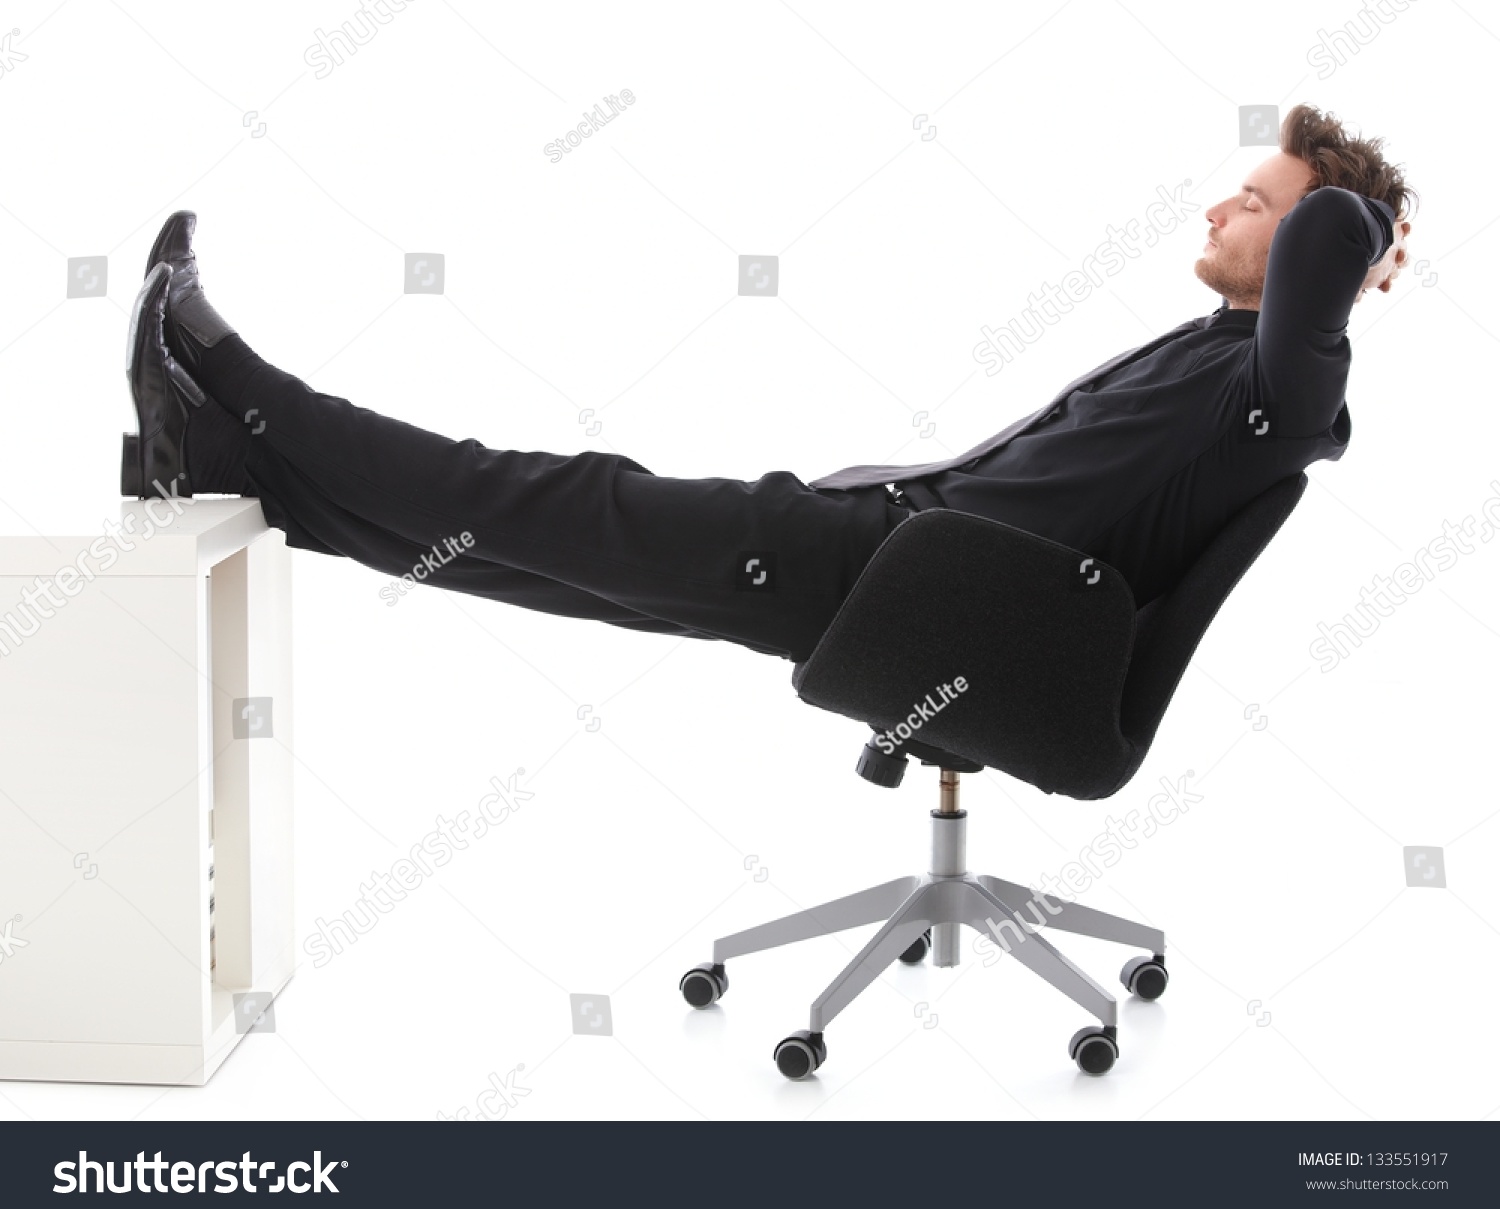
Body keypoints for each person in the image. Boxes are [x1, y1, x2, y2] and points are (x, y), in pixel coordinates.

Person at [122, 104, 1414, 664]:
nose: (1218, 205)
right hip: (891, 563)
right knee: (524, 553)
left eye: (1255, 200)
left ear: (1326, 246)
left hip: (904, 573)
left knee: (538, 497)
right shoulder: (1222, 357)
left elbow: (1323, 246)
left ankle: (227, 375)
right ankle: (243, 469)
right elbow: (1305, 250)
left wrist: (1358, 223)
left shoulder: (1286, 392)